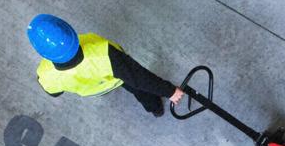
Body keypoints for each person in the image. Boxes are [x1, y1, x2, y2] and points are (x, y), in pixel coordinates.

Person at [26, 14, 184, 117]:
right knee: (139, 89)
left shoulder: (45, 75)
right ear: (70, 33)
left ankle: (155, 110)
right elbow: (139, 77)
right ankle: (155, 108)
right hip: (116, 78)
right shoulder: (104, 55)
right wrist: (169, 91)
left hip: (95, 89)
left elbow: (55, 93)